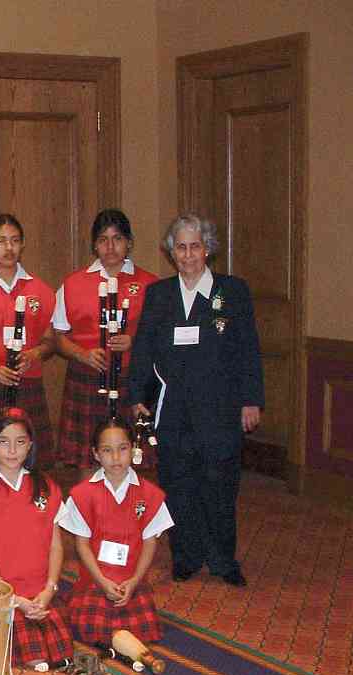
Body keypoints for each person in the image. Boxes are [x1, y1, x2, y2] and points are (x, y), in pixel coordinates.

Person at [128, 214, 263, 586]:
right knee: (179, 484)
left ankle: (222, 560)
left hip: (220, 410)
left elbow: (249, 349)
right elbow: (143, 349)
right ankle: (186, 556)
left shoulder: (232, 292)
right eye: (181, 247)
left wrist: (251, 400)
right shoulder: (159, 294)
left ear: (208, 250)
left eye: (195, 247)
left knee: (220, 487)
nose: (188, 255)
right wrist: (137, 395)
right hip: (173, 410)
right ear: (172, 253)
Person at [0, 407, 73, 671]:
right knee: (36, 658)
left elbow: (56, 545)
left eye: (20, 442)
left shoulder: (47, 487)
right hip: (2, 592)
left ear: (31, 446)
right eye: (3, 442)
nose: (12, 450)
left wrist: (50, 589)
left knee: (62, 656)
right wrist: (11, 597)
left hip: (41, 593)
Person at [53, 209, 157, 469]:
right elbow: (57, 337)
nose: (110, 247)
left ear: (129, 242)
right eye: (103, 240)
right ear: (94, 245)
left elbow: (161, 337)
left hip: (132, 380)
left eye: (118, 238)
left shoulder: (150, 285)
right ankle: (88, 509)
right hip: (87, 378)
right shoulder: (73, 283)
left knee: (132, 457)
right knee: (86, 459)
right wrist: (82, 354)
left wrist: (134, 341)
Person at [57, 418, 174, 647]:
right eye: (107, 450)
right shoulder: (83, 494)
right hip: (96, 578)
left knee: (142, 628)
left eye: (123, 448)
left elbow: (150, 543)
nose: (116, 457)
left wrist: (134, 581)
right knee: (91, 627)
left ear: (133, 449)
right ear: (96, 454)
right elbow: (82, 544)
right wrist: (101, 581)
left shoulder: (149, 495)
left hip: (131, 579)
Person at [0, 215, 55, 458]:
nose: (9, 248)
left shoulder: (41, 290)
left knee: (33, 459)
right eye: (1, 241)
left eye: (15, 240)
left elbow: (50, 341)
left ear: (22, 244)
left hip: (28, 383)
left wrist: (35, 353)